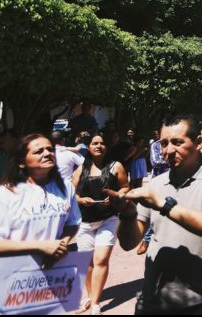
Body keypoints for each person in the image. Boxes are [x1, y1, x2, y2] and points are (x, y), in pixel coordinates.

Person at [106, 114, 202, 315]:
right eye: (164, 143)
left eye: (177, 142)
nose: (168, 150)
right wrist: (128, 214)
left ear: (199, 142)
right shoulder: (156, 184)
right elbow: (128, 242)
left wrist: (163, 205)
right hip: (155, 299)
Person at [0, 134, 81, 310]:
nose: (47, 153)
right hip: (10, 281)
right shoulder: (5, 194)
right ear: (21, 162)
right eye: (39, 151)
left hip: (49, 281)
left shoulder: (66, 187)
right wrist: (40, 246)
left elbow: (73, 223)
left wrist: (60, 245)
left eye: (50, 149)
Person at [72, 134, 130, 315]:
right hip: (85, 223)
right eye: (94, 143)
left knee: (101, 259)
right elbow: (72, 194)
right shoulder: (81, 168)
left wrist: (115, 195)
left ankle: (96, 303)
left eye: (102, 143)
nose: (99, 145)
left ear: (107, 147)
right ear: (88, 147)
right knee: (87, 263)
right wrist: (81, 201)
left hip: (108, 219)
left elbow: (126, 187)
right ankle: (89, 297)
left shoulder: (116, 166)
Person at [136, 130, 170, 256]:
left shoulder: (174, 145)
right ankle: (146, 240)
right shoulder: (155, 145)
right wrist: (172, 161)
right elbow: (155, 162)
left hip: (174, 181)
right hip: (158, 181)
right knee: (154, 210)